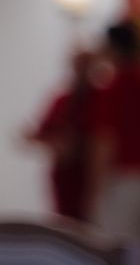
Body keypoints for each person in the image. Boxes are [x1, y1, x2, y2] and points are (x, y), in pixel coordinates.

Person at [89, 20, 140, 256]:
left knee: (115, 252)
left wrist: (95, 188)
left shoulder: (115, 88)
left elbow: (105, 141)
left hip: (125, 180)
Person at [18, 49, 99, 221]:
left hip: (92, 178)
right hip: (64, 176)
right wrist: (57, 143)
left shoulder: (102, 98)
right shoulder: (62, 100)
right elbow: (39, 133)